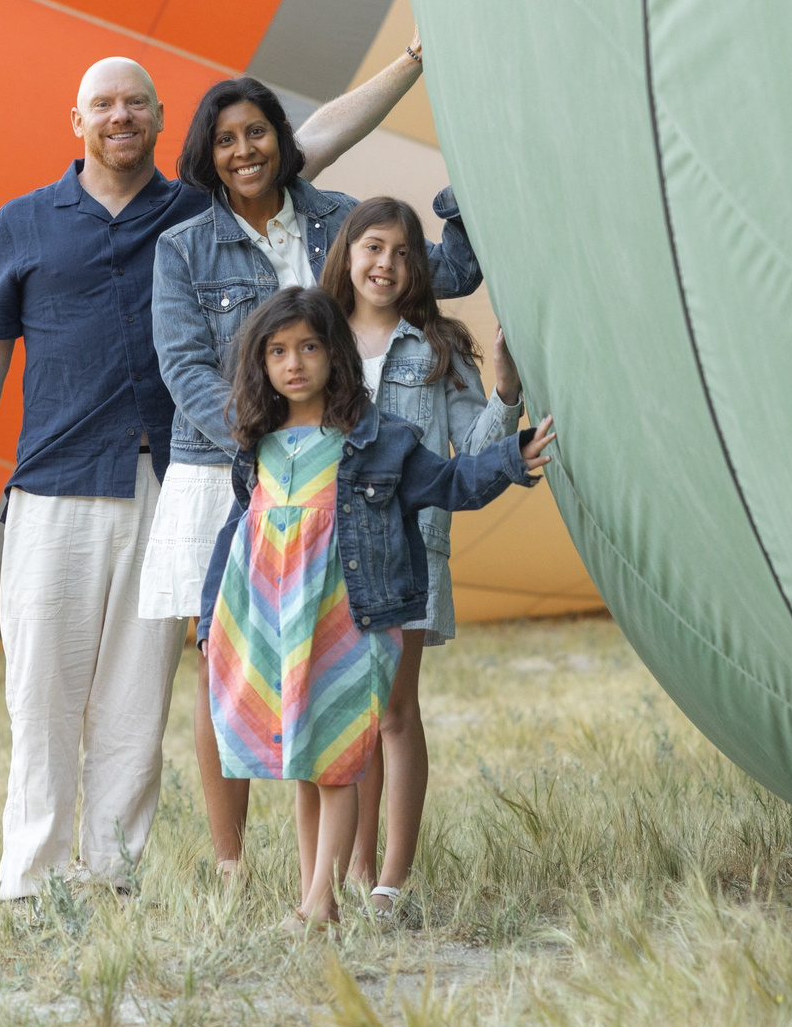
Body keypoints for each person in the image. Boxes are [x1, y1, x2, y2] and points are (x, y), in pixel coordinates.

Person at [0, 50, 425, 902]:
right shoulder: (22, 222)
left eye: (137, 104)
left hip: (166, 481)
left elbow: (307, 143)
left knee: (135, 701)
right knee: (41, 691)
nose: (120, 117)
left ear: (161, 121)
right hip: (56, 481)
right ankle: (32, 877)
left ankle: (115, 874)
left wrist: (412, 64)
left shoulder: (197, 210)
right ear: (75, 121)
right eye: (103, 105)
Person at [144, 73, 483, 877]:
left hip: (343, 473)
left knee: (333, 663)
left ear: (283, 139)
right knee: (225, 660)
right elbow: (185, 366)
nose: (243, 150)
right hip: (232, 468)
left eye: (257, 132)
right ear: (207, 154)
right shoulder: (183, 247)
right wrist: (262, 436)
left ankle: (347, 872)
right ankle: (232, 862)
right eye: (225, 139)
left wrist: (467, 184)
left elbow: (441, 275)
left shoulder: (336, 217)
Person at [195, 287, 554, 927]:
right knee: (306, 768)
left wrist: (510, 458)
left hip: (349, 622)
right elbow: (236, 533)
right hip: (279, 626)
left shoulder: (376, 442)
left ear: (335, 354)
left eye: (309, 346)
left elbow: (446, 484)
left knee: (335, 764)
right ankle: (317, 896)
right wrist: (209, 620)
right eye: (278, 351)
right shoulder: (258, 446)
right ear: (261, 364)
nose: (294, 362)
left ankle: (318, 904)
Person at [320, 197, 527, 918]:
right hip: (326, 548)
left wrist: (505, 388)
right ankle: (348, 866)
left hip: (409, 548)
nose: (387, 264)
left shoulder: (437, 348)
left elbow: (472, 448)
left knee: (394, 712)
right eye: (373, 247)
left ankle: (389, 883)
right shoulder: (316, 341)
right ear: (346, 255)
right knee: (344, 712)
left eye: (405, 252)